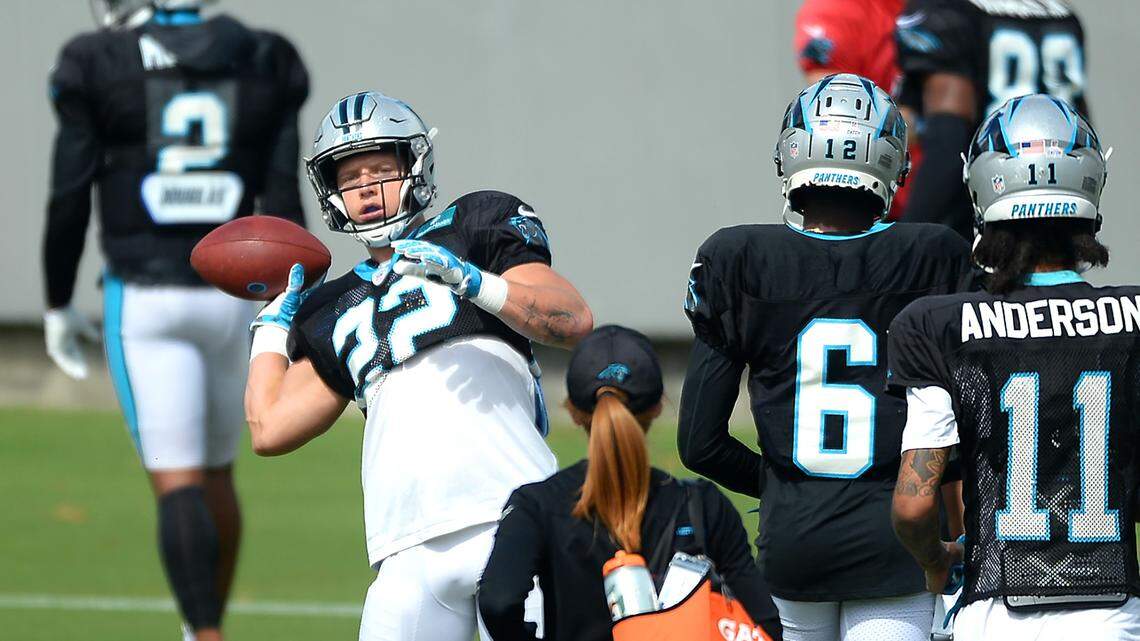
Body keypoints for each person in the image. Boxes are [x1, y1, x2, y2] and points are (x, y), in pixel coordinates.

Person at [243, 91, 593, 641]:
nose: (365, 188)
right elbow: (268, 428)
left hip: (514, 513)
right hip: (406, 547)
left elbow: (572, 320)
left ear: (416, 165)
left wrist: (474, 282)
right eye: (349, 177)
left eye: (380, 170)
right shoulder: (331, 306)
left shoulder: (475, 226)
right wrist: (269, 327)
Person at [42, 1, 308, 639]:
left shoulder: (97, 60)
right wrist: (294, 300)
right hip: (238, 296)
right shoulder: (263, 54)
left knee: (178, 478)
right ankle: (207, 629)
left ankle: (202, 633)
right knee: (218, 474)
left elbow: (70, 192)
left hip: (145, 296)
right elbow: (282, 200)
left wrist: (56, 300)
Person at [678, 73, 972, 641]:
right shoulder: (935, 254)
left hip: (793, 545)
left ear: (792, 154)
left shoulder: (739, 257)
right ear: (891, 160)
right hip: (897, 546)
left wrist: (788, 488)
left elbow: (698, 442)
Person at [889, 94, 1140, 641]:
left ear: (982, 188)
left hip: (997, 611)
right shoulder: (1133, 317)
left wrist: (936, 559)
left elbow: (912, 506)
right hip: (1112, 613)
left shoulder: (939, 324)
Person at [478, 324, 784, 641]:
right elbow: (766, 623)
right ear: (658, 406)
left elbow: (498, 602)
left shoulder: (536, 504)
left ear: (573, 411)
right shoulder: (703, 505)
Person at [894, 0, 1088, 238]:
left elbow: (947, 141)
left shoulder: (947, 11)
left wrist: (908, 236)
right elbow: (1080, 127)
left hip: (990, 200)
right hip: (1058, 195)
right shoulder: (1060, 13)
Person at [794, 0, 919, 218]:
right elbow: (843, 117)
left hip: (952, 185)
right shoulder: (836, 9)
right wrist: (938, 122)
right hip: (871, 197)